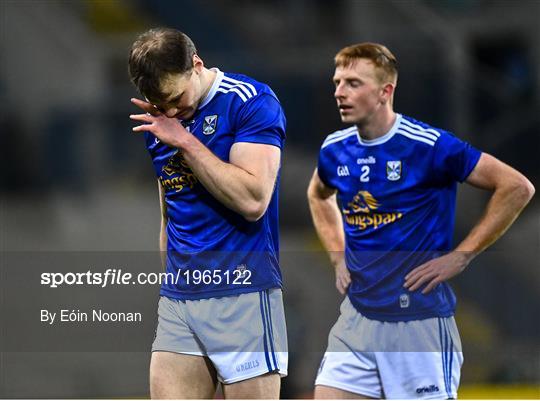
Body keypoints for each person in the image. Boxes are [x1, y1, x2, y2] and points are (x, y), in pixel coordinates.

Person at [307, 42, 535, 399]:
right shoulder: (334, 148)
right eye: (337, 82)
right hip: (357, 320)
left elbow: (517, 186)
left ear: (385, 92)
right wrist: (337, 255)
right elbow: (318, 195)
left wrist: (463, 254)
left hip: (418, 325)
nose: (339, 92)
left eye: (353, 83)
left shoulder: (428, 146)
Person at [128, 27, 287, 399]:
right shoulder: (160, 123)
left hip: (243, 294)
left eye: (176, 98)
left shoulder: (249, 102)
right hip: (180, 299)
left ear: (196, 65)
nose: (170, 111)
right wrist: (168, 289)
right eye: (159, 103)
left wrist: (184, 140)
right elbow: (170, 214)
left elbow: (253, 200)